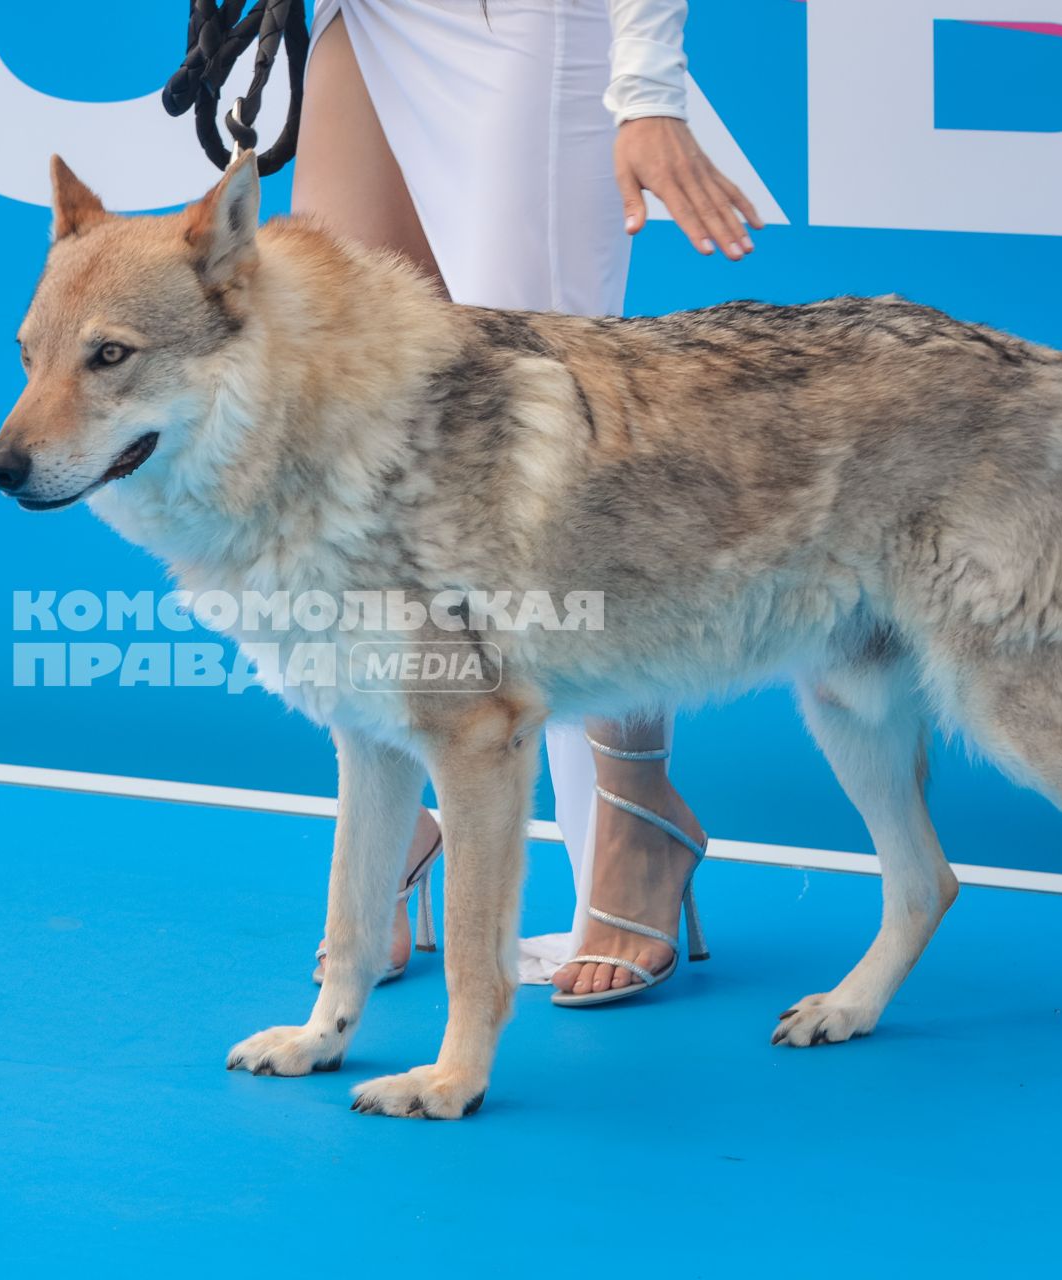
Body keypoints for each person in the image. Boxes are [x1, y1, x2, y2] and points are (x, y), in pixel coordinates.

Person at [298, 0, 761, 1002]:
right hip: (363, 15)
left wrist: (644, 87)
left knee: (557, 449)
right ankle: (396, 822)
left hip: (521, 22)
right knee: (356, 415)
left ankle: (641, 818)